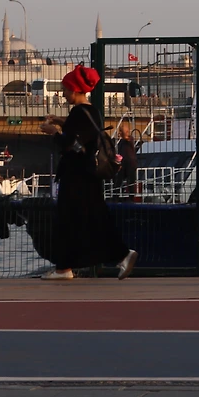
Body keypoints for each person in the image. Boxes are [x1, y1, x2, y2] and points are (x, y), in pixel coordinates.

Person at [38, 65, 137, 281]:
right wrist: (61, 122)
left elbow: (71, 144)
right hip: (88, 174)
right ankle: (118, 255)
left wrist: (53, 132)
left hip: (76, 175)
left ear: (75, 90)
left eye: (65, 89)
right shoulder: (92, 112)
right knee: (92, 218)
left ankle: (65, 268)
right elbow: (83, 134)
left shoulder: (78, 113)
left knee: (68, 219)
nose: (63, 94)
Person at [114, 121, 139, 199]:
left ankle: (131, 198)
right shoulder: (121, 142)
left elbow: (127, 138)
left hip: (130, 164)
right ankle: (115, 197)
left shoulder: (130, 139)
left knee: (131, 182)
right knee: (118, 181)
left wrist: (124, 133)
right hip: (123, 163)